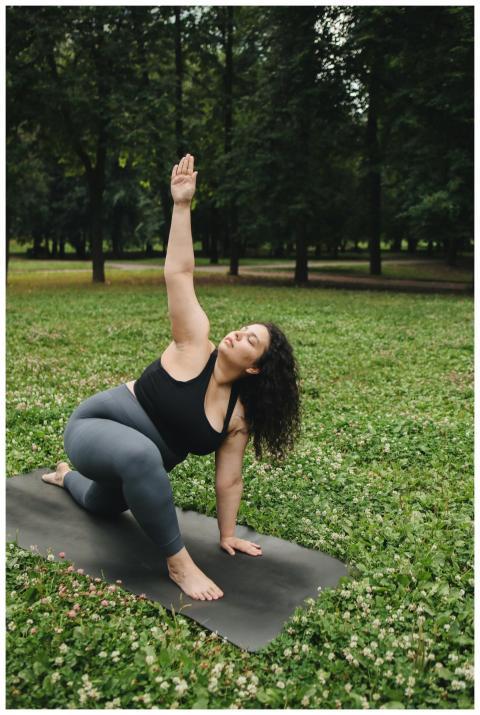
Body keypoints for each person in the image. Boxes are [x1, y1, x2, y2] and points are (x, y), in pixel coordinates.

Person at [42, 153, 302, 601]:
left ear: (256, 368)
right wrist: (181, 206)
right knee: (144, 457)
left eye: (251, 341)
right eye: (244, 328)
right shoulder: (193, 342)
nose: (239, 333)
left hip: (130, 467)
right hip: (95, 427)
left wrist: (227, 533)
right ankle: (180, 566)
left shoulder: (237, 415)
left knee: (101, 504)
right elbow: (179, 272)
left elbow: (230, 479)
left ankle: (67, 477)